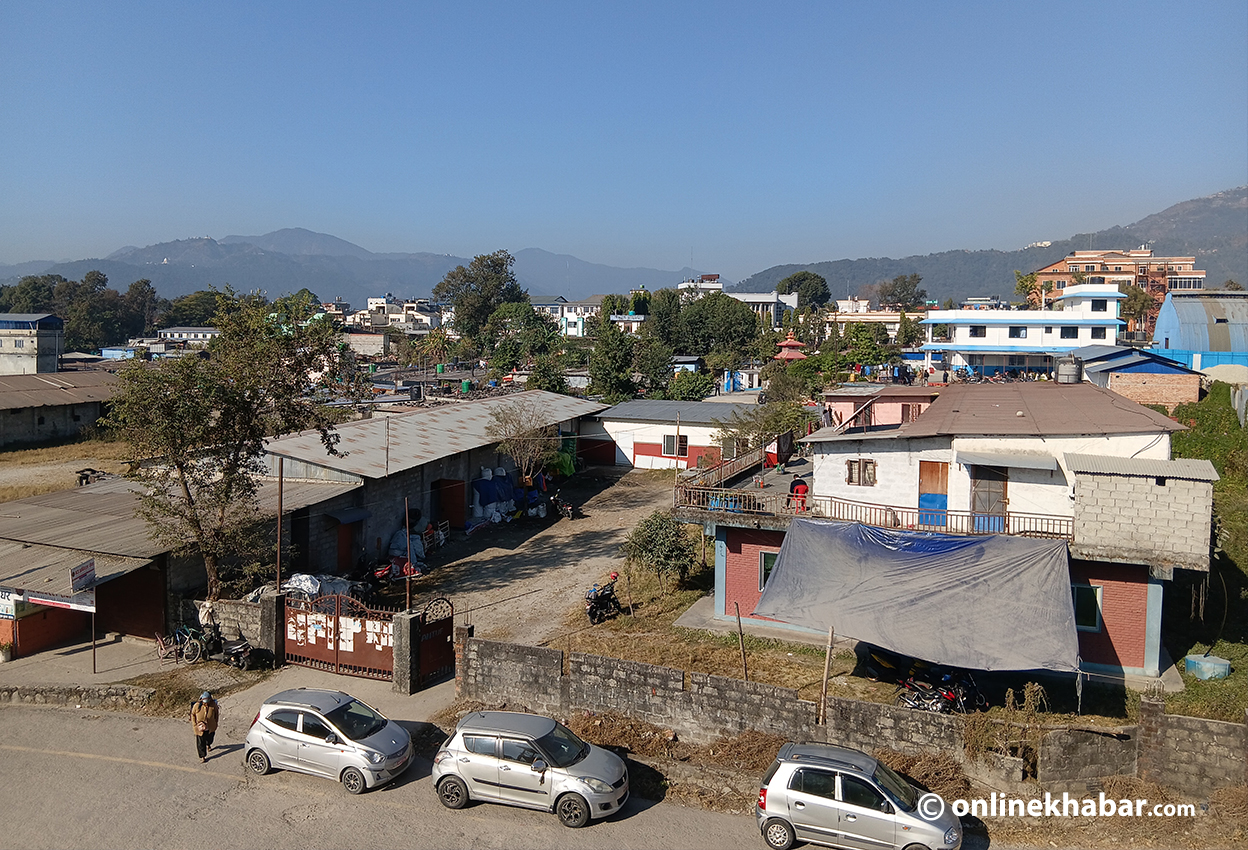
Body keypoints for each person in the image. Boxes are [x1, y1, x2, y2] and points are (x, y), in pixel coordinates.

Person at [190, 692, 219, 763]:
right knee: (200, 743)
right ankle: (202, 756)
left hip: (210, 727)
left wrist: (215, 723)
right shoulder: (197, 705)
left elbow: (216, 714)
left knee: (210, 739)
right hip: (200, 728)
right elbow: (193, 714)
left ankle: (208, 744)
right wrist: (194, 724)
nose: (206, 703)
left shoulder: (213, 705)